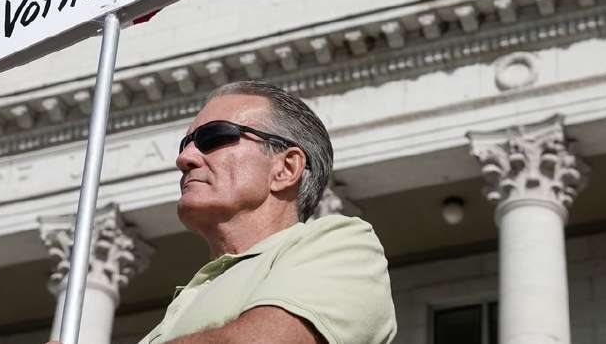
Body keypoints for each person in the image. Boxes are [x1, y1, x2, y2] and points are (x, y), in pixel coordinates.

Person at [52, 80, 397, 344]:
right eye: (184, 144)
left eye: (214, 137)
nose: (185, 158)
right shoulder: (176, 313)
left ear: (286, 169)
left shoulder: (345, 245)